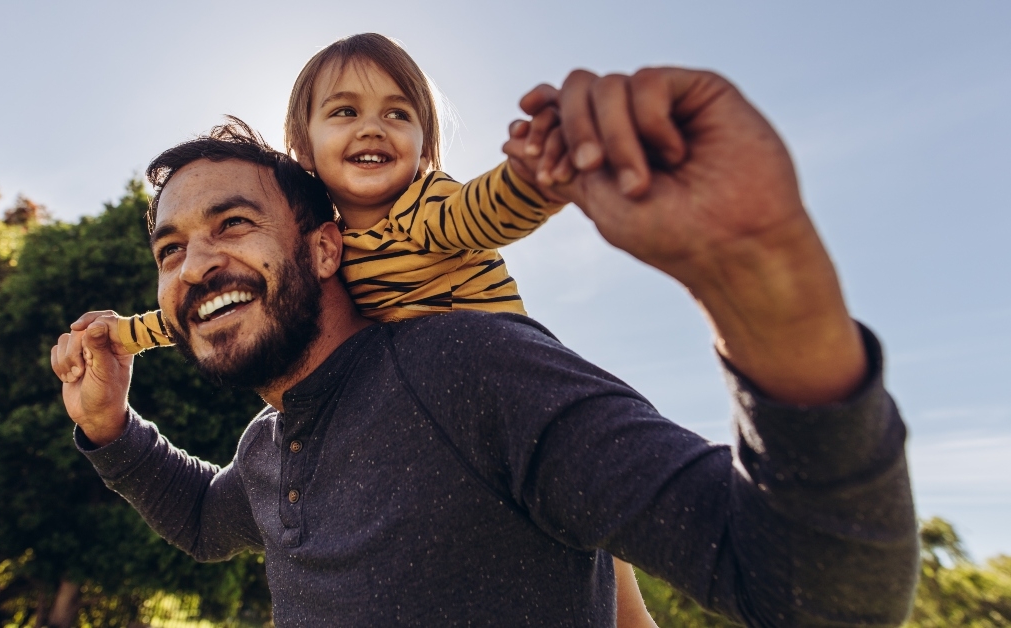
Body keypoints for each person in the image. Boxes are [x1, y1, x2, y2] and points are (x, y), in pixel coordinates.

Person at [51, 66, 920, 626]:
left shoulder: (466, 367)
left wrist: (766, 281)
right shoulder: (269, 446)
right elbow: (206, 522)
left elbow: (817, 593)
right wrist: (110, 428)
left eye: (232, 224)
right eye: (171, 250)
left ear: (323, 248)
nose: (197, 265)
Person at [107, 32, 565, 353]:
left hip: (514, 373)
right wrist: (123, 335)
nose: (372, 128)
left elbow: (484, 212)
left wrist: (534, 178)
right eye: (346, 111)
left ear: (424, 151)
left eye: (398, 115)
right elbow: (216, 299)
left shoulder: (426, 204)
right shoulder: (330, 251)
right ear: (303, 147)